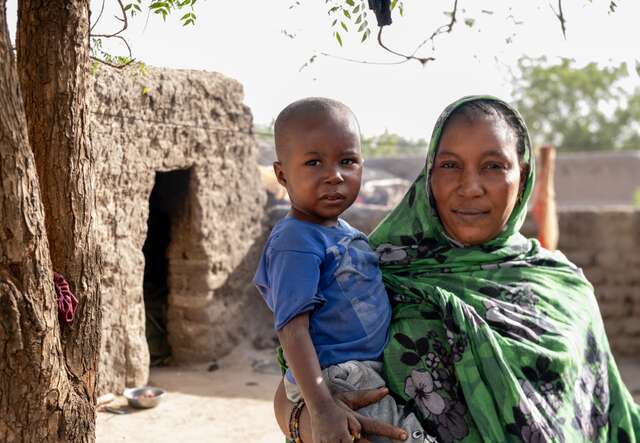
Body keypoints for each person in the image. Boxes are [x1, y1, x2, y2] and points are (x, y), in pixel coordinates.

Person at [273, 95, 640, 442]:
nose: (470, 187)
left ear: (523, 174)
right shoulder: (371, 270)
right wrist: (313, 417)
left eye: (493, 166)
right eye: (450, 165)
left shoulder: (562, 287)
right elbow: (288, 391)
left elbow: (596, 413)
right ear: (429, 175)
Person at [255, 97, 431, 443]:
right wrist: (321, 407)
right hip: (339, 378)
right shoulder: (295, 240)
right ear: (281, 174)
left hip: (362, 373)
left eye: (347, 161)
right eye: (314, 162)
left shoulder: (345, 234)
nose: (334, 175)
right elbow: (292, 330)